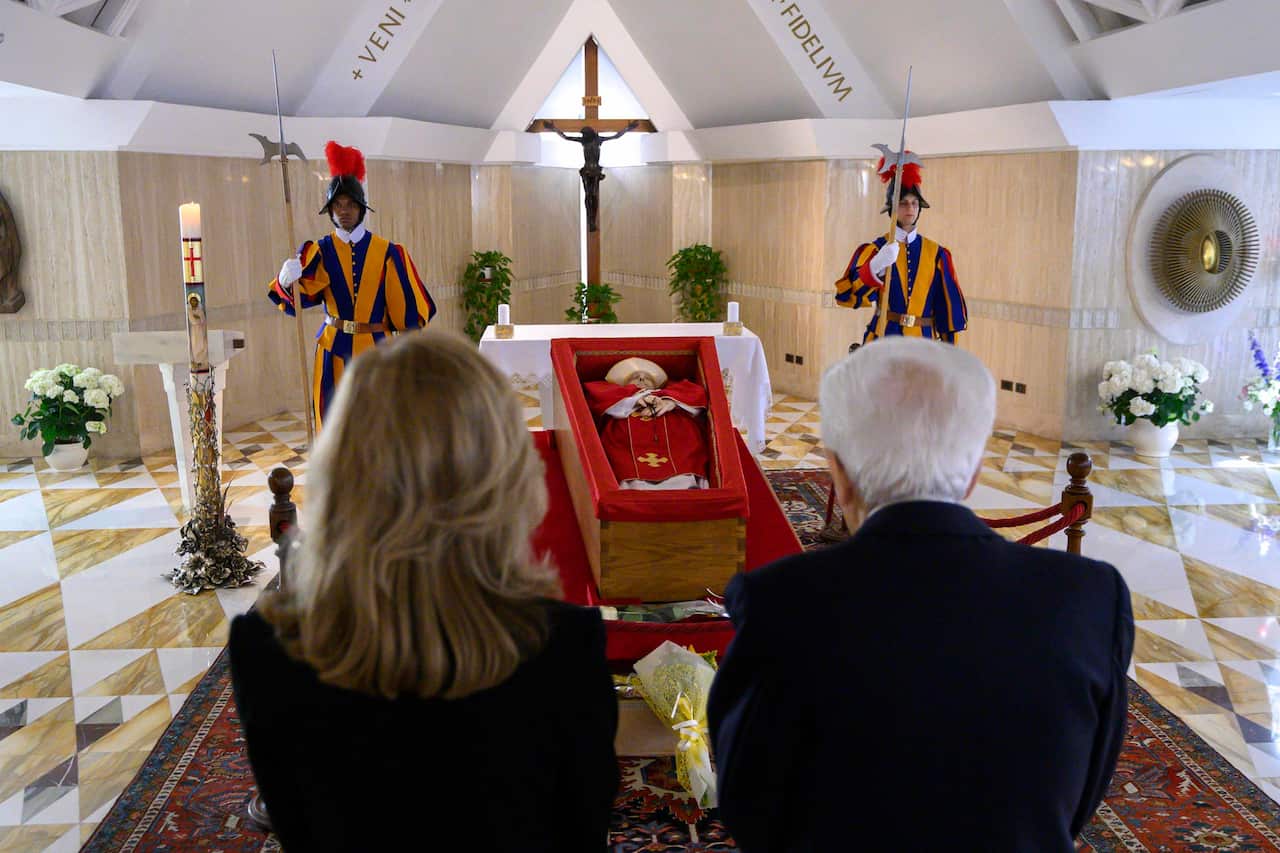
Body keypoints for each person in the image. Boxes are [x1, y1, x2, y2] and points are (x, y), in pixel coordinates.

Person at [708, 337, 1134, 852]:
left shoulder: (780, 599)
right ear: (974, 471)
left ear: (837, 472)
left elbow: (748, 802)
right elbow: (1079, 797)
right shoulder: (1088, 596)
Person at [228, 330, 619, 852]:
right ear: (502, 473)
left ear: (342, 469)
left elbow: (300, 824)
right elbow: (581, 834)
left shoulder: (264, 649)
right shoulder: (567, 647)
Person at [267, 140, 436, 430]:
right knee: (334, 422)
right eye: (338, 205)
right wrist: (286, 281)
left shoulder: (389, 253)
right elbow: (297, 302)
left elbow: (409, 316)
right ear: (330, 210)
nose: (344, 211)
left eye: (350, 205)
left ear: (361, 209)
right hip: (332, 348)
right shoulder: (318, 252)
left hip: (377, 351)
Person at [834, 152, 968, 344]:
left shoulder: (937, 254)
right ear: (892, 208)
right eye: (904, 203)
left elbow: (948, 313)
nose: (910, 209)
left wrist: (949, 357)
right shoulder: (875, 249)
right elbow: (846, 296)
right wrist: (874, 267)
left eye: (914, 203)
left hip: (923, 347)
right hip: (883, 341)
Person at [583, 357, 709, 489]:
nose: (642, 379)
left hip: (674, 440)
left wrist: (670, 401)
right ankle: (632, 485)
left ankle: (684, 482)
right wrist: (634, 400)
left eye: (647, 377)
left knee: (685, 449)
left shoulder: (671, 393)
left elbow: (696, 393)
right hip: (626, 442)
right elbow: (596, 399)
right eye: (635, 376)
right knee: (621, 458)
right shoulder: (618, 396)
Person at [543, 120, 639, 232]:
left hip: (595, 171)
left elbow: (616, 136)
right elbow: (566, 137)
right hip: (587, 171)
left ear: (589, 133)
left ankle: (593, 219)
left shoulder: (598, 140)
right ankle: (590, 220)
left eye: (584, 134)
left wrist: (628, 128)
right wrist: (553, 128)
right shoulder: (584, 141)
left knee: (593, 194)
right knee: (589, 194)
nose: (583, 136)